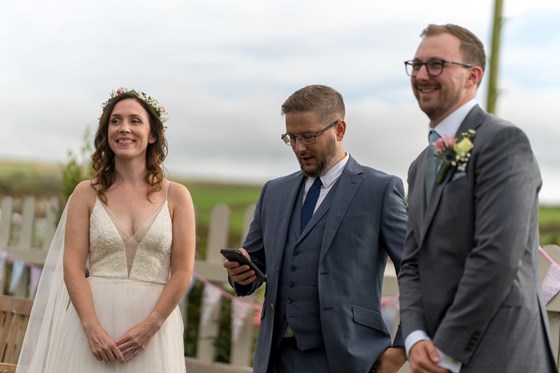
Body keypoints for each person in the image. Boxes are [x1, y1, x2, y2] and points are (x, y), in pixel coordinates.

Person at [398, 24, 557, 373]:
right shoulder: (419, 165)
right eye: (417, 64)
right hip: (431, 353)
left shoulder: (504, 142)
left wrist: (448, 349)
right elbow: (410, 262)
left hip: (500, 352)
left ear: (473, 76)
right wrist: (414, 337)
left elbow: (498, 255)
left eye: (437, 64)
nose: (423, 75)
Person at [223, 84, 407, 373]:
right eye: (291, 138)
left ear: (340, 129)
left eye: (308, 136)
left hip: (348, 359)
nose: (299, 148)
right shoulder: (274, 191)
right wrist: (242, 274)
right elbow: (255, 263)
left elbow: (415, 270)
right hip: (276, 359)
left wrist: (402, 348)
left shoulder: (380, 189)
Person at [17, 88, 196, 372]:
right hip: (92, 326)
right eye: (116, 121)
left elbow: (183, 271)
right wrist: (90, 328)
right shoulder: (85, 193)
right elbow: (73, 267)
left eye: (135, 121)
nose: (124, 128)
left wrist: (151, 326)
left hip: (153, 330)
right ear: (107, 132)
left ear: (152, 135)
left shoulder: (177, 196)